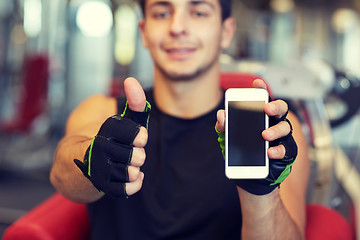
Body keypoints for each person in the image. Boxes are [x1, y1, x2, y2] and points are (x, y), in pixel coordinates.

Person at [50, 0, 310, 239]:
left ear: (226, 31)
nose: (177, 27)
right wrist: (95, 160)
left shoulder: (274, 133)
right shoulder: (102, 110)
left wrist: (261, 193)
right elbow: (62, 174)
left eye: (198, 12)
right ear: (144, 31)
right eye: (162, 13)